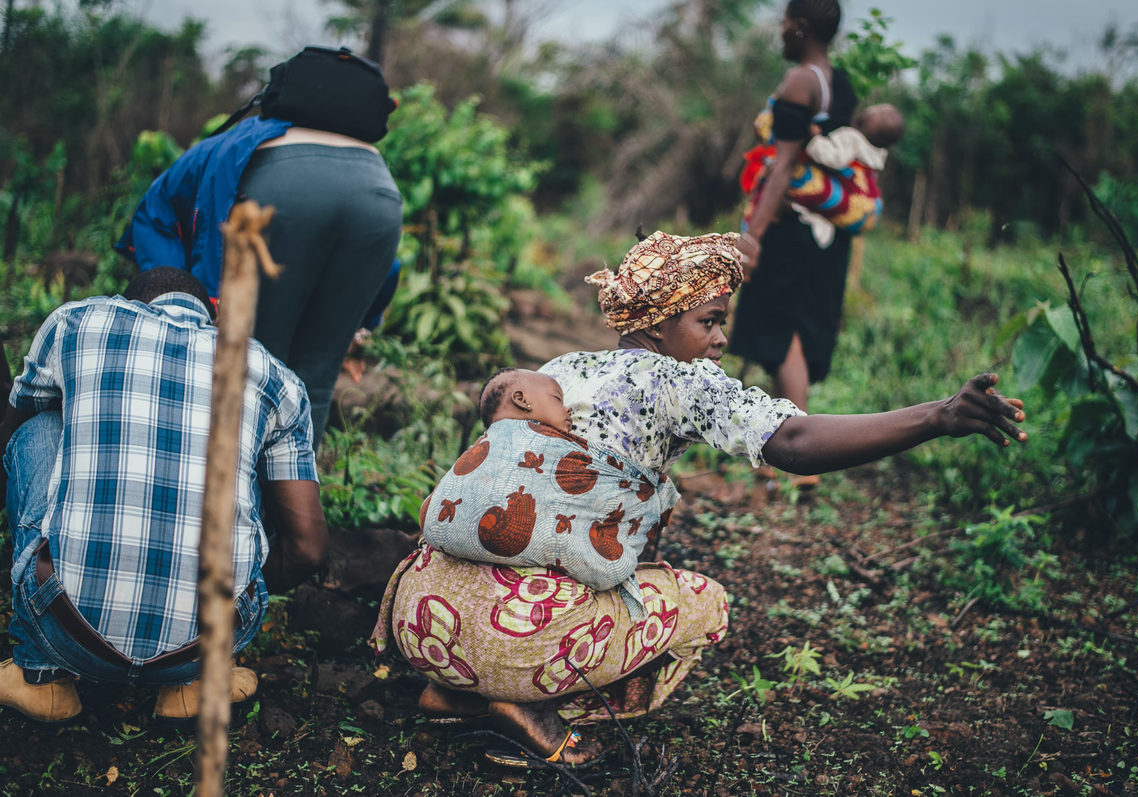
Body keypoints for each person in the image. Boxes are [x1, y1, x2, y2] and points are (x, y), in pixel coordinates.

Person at [371, 230, 1027, 767]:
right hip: (516, 642)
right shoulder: (678, 381)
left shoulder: (554, 372)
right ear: (656, 324)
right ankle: (531, 706)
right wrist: (938, 415)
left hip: (421, 617)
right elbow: (793, 441)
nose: (719, 340)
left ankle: (453, 692)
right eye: (709, 322)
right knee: (705, 604)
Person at [0, 268, 328, 724]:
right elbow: (309, 548)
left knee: (40, 429)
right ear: (212, 317)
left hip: (63, 625)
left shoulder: (76, 324)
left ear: (130, 302)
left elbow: (14, 440)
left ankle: (42, 675)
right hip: (206, 646)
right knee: (240, 456)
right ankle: (191, 684)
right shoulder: (274, 377)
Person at [116, 70, 403, 447]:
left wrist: (191, 303)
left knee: (251, 367)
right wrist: (360, 322)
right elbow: (387, 267)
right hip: (379, 192)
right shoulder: (361, 149)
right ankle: (295, 499)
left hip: (283, 186)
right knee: (313, 380)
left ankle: (232, 494)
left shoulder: (228, 142)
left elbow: (155, 226)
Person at [416, 367, 677, 613]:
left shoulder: (482, 444)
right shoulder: (555, 446)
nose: (568, 410)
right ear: (521, 399)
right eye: (557, 399)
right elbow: (623, 487)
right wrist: (653, 493)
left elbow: (438, 500)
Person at [730, 0, 857, 437]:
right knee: (795, 330)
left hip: (793, 231)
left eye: (785, 22)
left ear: (800, 28)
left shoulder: (802, 80)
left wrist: (753, 237)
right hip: (827, 234)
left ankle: (799, 444)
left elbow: (782, 166)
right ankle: (787, 443)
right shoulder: (840, 84)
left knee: (783, 331)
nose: (781, 29)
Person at [742, 103, 905, 247]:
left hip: (848, 202)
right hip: (864, 208)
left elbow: (832, 158)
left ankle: (789, 210)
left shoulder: (852, 138)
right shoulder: (877, 153)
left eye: (867, 114)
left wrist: (814, 139)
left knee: (792, 175)